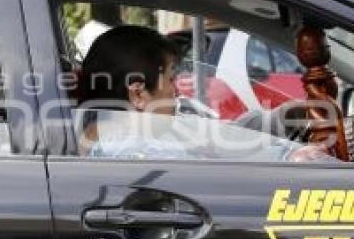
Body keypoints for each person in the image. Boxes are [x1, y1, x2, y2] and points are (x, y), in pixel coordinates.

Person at [77, 25, 333, 162]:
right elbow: (225, 175)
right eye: (170, 78)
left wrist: (286, 116)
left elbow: (218, 135)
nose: (176, 88)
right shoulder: (134, 156)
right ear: (138, 94)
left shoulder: (140, 129)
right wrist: (292, 158)